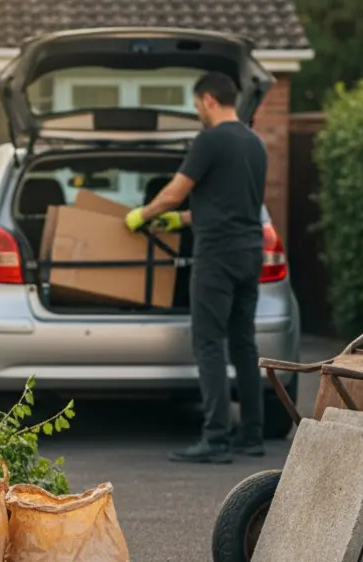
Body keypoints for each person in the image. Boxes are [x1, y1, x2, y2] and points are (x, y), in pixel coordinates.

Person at [125, 71, 268, 464]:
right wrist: (183, 221)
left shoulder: (210, 140)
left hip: (217, 257)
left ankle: (216, 439)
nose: (197, 113)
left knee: (209, 344)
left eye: (195, 105)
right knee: (243, 344)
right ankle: (251, 435)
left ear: (207, 100)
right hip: (250, 252)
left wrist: (144, 213)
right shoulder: (254, 143)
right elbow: (231, 203)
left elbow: (174, 191)